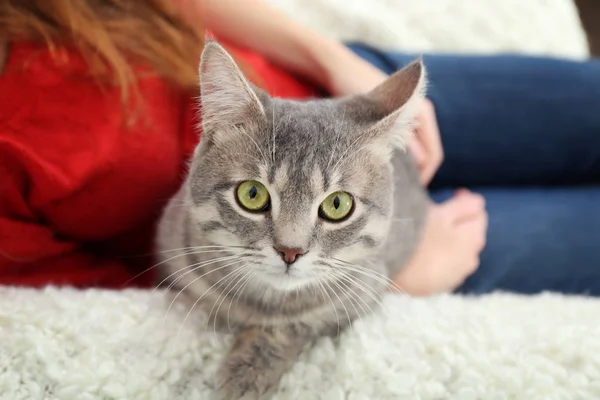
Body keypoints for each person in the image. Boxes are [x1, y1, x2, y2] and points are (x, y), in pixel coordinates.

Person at [0, 0, 598, 296]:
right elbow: (129, 293)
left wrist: (332, 59)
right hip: (337, 257)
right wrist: (393, 278)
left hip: (357, 101)